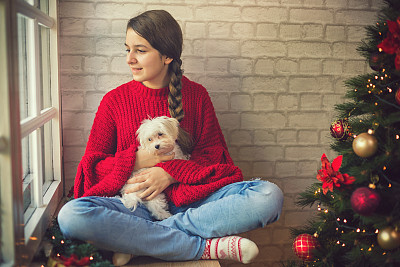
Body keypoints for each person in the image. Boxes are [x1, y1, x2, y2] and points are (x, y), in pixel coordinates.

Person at [57, 9, 284, 266]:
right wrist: (136, 161)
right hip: (136, 206)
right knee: (71, 216)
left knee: (269, 196)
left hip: (193, 202)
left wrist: (171, 172)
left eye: (140, 50)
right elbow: (91, 169)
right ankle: (203, 247)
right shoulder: (114, 101)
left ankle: (141, 240)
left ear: (167, 56)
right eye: (127, 49)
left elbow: (213, 157)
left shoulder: (197, 96)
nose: (130, 59)